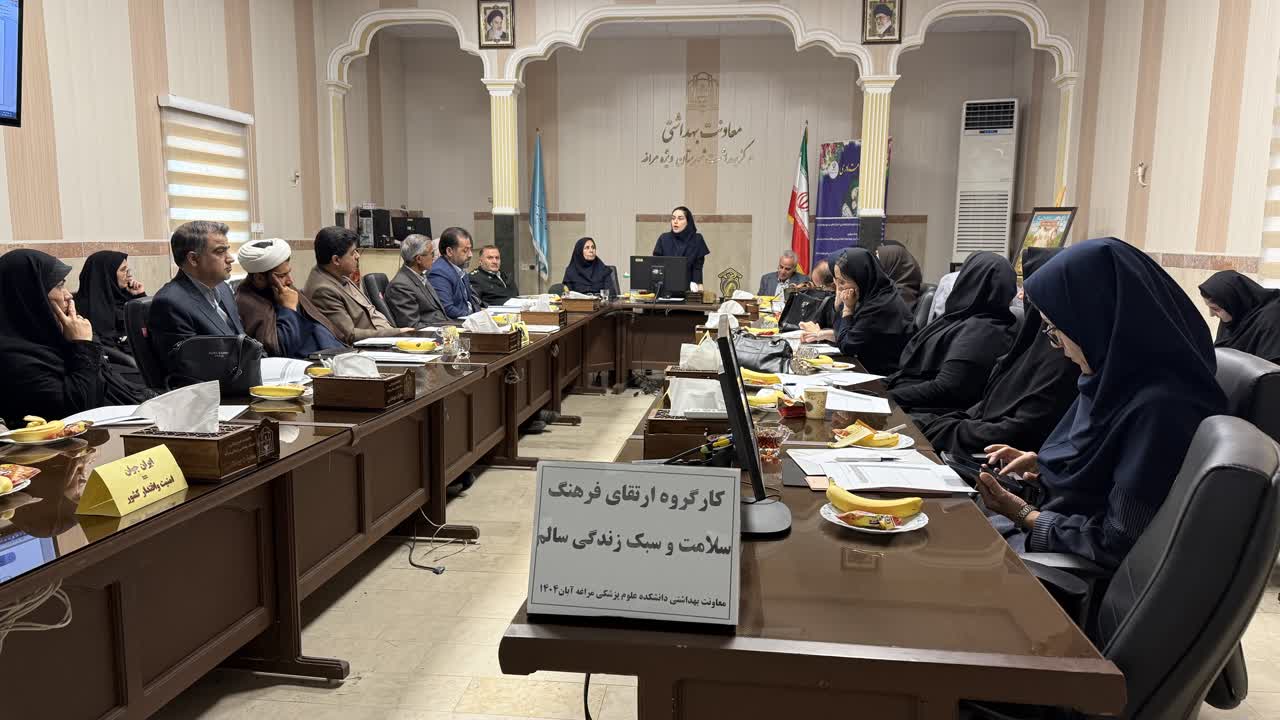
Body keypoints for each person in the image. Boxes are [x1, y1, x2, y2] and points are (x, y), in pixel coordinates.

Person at [975, 238, 1226, 570]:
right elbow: (1100, 470)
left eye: (1055, 330)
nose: (1057, 346)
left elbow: (1118, 539)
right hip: (1050, 533)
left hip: (1062, 571)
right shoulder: (1112, 379)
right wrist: (1043, 467)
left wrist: (1023, 514)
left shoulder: (1163, 408)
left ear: (1095, 321)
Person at [916, 247, 1080, 455]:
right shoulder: (1034, 344)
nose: (1020, 295)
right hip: (973, 435)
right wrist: (942, 424)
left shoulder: (1064, 355)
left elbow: (1020, 430)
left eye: (1030, 288)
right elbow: (988, 406)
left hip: (987, 452)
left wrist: (944, 429)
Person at [0, 250, 153, 426]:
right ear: (30, 295)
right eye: (58, 286)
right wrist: (83, 345)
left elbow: (104, 382)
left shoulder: (51, 334)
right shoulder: (13, 359)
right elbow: (81, 411)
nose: (68, 295)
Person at [888, 251, 1017, 413]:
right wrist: (876, 388)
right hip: (907, 395)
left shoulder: (983, 330)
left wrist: (884, 397)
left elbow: (946, 388)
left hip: (925, 411)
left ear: (969, 280)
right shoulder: (958, 316)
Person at [149, 220, 245, 361]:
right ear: (193, 259)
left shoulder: (223, 288)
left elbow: (241, 337)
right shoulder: (170, 303)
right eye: (220, 251)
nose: (230, 259)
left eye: (227, 250)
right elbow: (191, 365)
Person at [234, 238, 346, 359]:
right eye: (282, 275)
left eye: (288, 273)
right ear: (259, 278)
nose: (290, 280)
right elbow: (280, 350)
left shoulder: (281, 288)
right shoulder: (247, 302)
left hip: (330, 353)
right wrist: (289, 309)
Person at [303, 226, 411, 343]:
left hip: (387, 337)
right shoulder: (323, 290)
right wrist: (396, 333)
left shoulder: (337, 273)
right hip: (368, 347)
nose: (358, 256)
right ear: (336, 260)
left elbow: (369, 311)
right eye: (352, 253)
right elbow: (349, 335)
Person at [830, 248, 914, 375]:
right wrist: (838, 304)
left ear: (861, 278)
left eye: (842, 282)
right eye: (836, 282)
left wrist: (847, 309)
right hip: (868, 368)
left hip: (886, 376)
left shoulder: (880, 305)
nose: (840, 288)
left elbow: (847, 346)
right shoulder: (871, 295)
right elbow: (839, 333)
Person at [73, 250, 146, 356]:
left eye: (128, 270)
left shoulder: (125, 297)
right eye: (123, 270)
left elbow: (150, 323)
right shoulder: (88, 308)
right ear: (106, 275)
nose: (129, 276)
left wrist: (140, 296)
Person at [1199, 270, 1280, 363]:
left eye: (1215, 309)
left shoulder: (1272, 320)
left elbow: (1271, 368)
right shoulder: (1236, 315)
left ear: (1233, 302)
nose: (1211, 314)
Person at [385, 234, 451, 327]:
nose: (434, 257)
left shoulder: (420, 276)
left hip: (442, 326)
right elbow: (412, 325)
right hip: (429, 332)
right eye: (432, 254)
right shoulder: (400, 286)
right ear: (419, 259)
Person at [429, 227, 486, 319]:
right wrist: (474, 317)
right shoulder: (438, 272)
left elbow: (470, 301)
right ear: (449, 251)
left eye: (470, 249)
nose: (470, 254)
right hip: (457, 323)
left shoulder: (459, 268)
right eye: (465, 250)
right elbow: (448, 310)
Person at [653, 206, 710, 290]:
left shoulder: (697, 239)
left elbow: (697, 268)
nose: (675, 221)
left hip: (688, 289)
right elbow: (656, 266)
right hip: (664, 288)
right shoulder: (664, 238)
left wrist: (699, 291)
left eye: (680, 218)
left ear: (688, 222)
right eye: (673, 218)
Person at [876, 241, 922, 310]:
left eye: (879, 262)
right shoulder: (889, 291)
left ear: (893, 265)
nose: (875, 267)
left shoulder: (900, 299)